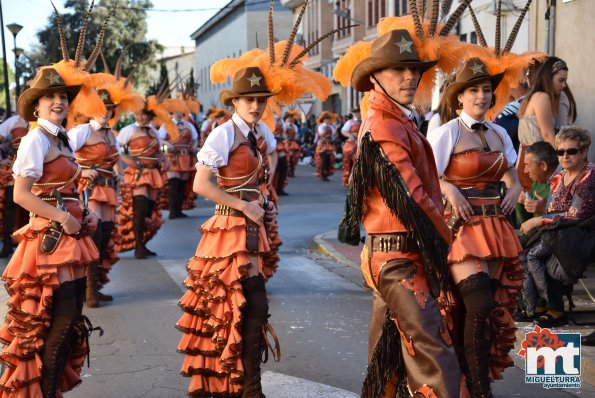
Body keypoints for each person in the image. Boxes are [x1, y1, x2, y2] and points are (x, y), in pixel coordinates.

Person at [347, 29, 460, 397]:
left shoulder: (396, 119)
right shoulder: (383, 125)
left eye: (414, 68)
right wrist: (451, 246)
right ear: (376, 76)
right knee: (433, 352)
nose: (410, 76)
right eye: (398, 68)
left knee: (388, 356)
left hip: (397, 254)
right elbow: (412, 198)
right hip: (399, 258)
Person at [176, 66, 280, 397]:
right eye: (248, 100)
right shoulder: (223, 133)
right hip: (229, 229)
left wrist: (262, 201)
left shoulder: (258, 132)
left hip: (250, 225)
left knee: (251, 306)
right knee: (237, 306)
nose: (255, 106)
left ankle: (247, 386)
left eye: (260, 100)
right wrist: (244, 206)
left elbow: (256, 177)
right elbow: (201, 184)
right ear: (234, 101)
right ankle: (246, 387)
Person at [0, 66, 100, 397]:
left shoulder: (61, 137)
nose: (57, 102)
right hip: (50, 240)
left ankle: (50, 390)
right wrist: (63, 216)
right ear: (37, 106)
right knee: (59, 322)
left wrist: (82, 206)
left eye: (61, 96)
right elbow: (22, 194)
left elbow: (59, 184)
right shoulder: (35, 139)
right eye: (50, 97)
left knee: (69, 322)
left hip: (69, 236)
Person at [427, 57, 523, 397]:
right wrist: (448, 187)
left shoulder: (499, 132)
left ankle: (475, 385)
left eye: (486, 90)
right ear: (459, 98)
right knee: (477, 304)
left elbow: (511, 174)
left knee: (488, 311)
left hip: (496, 228)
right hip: (461, 229)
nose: (482, 96)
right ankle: (477, 388)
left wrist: (514, 188)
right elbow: (426, 179)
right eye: (474, 91)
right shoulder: (445, 134)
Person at [519, 126, 595, 327]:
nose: (565, 156)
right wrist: (541, 218)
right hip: (556, 232)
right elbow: (552, 210)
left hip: (581, 234)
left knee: (536, 255)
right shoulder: (557, 178)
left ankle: (553, 308)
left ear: (584, 151)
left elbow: (576, 214)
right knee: (521, 252)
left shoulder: (589, 175)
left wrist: (537, 220)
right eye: (560, 152)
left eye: (571, 151)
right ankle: (537, 306)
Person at [517, 57, 577, 191]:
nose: (564, 85)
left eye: (565, 81)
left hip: (529, 159)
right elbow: (548, 136)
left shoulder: (534, 96)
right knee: (541, 207)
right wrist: (564, 167)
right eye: (561, 80)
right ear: (548, 78)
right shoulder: (542, 97)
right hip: (537, 162)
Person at [115, 106, 167, 259]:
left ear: (149, 115)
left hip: (153, 172)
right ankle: (138, 246)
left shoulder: (153, 130)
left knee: (149, 210)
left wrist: (163, 159)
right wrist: (128, 161)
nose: (140, 117)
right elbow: (116, 148)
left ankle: (143, 243)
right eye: (137, 113)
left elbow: (158, 150)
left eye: (143, 114)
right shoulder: (128, 130)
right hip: (138, 173)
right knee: (140, 207)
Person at [159, 110, 199, 219]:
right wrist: (167, 144)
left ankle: (179, 210)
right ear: (172, 113)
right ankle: (172, 211)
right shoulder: (166, 125)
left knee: (182, 185)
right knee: (174, 184)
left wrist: (195, 145)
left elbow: (195, 138)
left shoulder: (188, 125)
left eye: (181, 111)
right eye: (177, 111)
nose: (179, 113)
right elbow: (159, 139)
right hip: (173, 157)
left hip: (186, 157)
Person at [0, 114, 30, 258]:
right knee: (10, 209)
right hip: (15, 169)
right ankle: (7, 246)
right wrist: (2, 160)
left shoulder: (45, 120)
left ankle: (31, 248)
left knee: (35, 211)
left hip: (39, 171)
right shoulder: (13, 121)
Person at [515, 141, 558, 225]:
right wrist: (523, 203)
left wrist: (546, 209)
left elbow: (575, 215)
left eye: (528, 165)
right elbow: (526, 226)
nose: (525, 170)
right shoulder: (538, 183)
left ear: (543, 165)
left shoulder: (566, 181)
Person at [340, 117, 360, 187]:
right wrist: (350, 135)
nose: (358, 114)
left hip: (361, 142)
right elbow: (343, 131)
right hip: (351, 143)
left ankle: (358, 181)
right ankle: (348, 180)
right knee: (348, 162)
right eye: (357, 112)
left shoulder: (366, 119)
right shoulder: (350, 122)